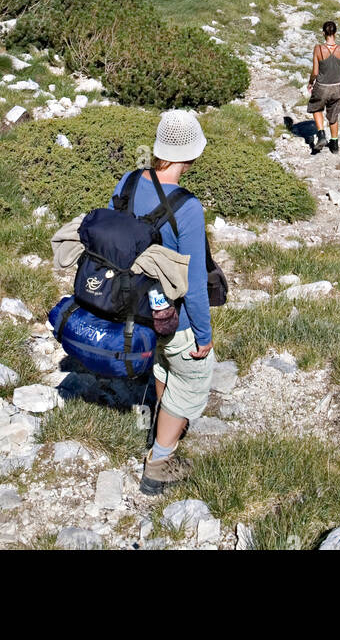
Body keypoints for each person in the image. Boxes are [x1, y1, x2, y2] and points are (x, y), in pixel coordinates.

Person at [110, 110, 214, 496]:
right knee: (193, 376)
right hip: (172, 313)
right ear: (191, 154)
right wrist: (203, 333)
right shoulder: (187, 206)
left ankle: (159, 420)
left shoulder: (130, 180)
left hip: (130, 303)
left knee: (159, 361)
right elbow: (195, 283)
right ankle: (159, 460)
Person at [307, 21, 340, 154]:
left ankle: (321, 135)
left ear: (323, 33)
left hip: (322, 86)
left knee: (316, 107)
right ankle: (334, 144)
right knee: (333, 115)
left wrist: (311, 82)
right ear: (336, 33)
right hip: (337, 87)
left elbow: (315, 72)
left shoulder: (318, 49)